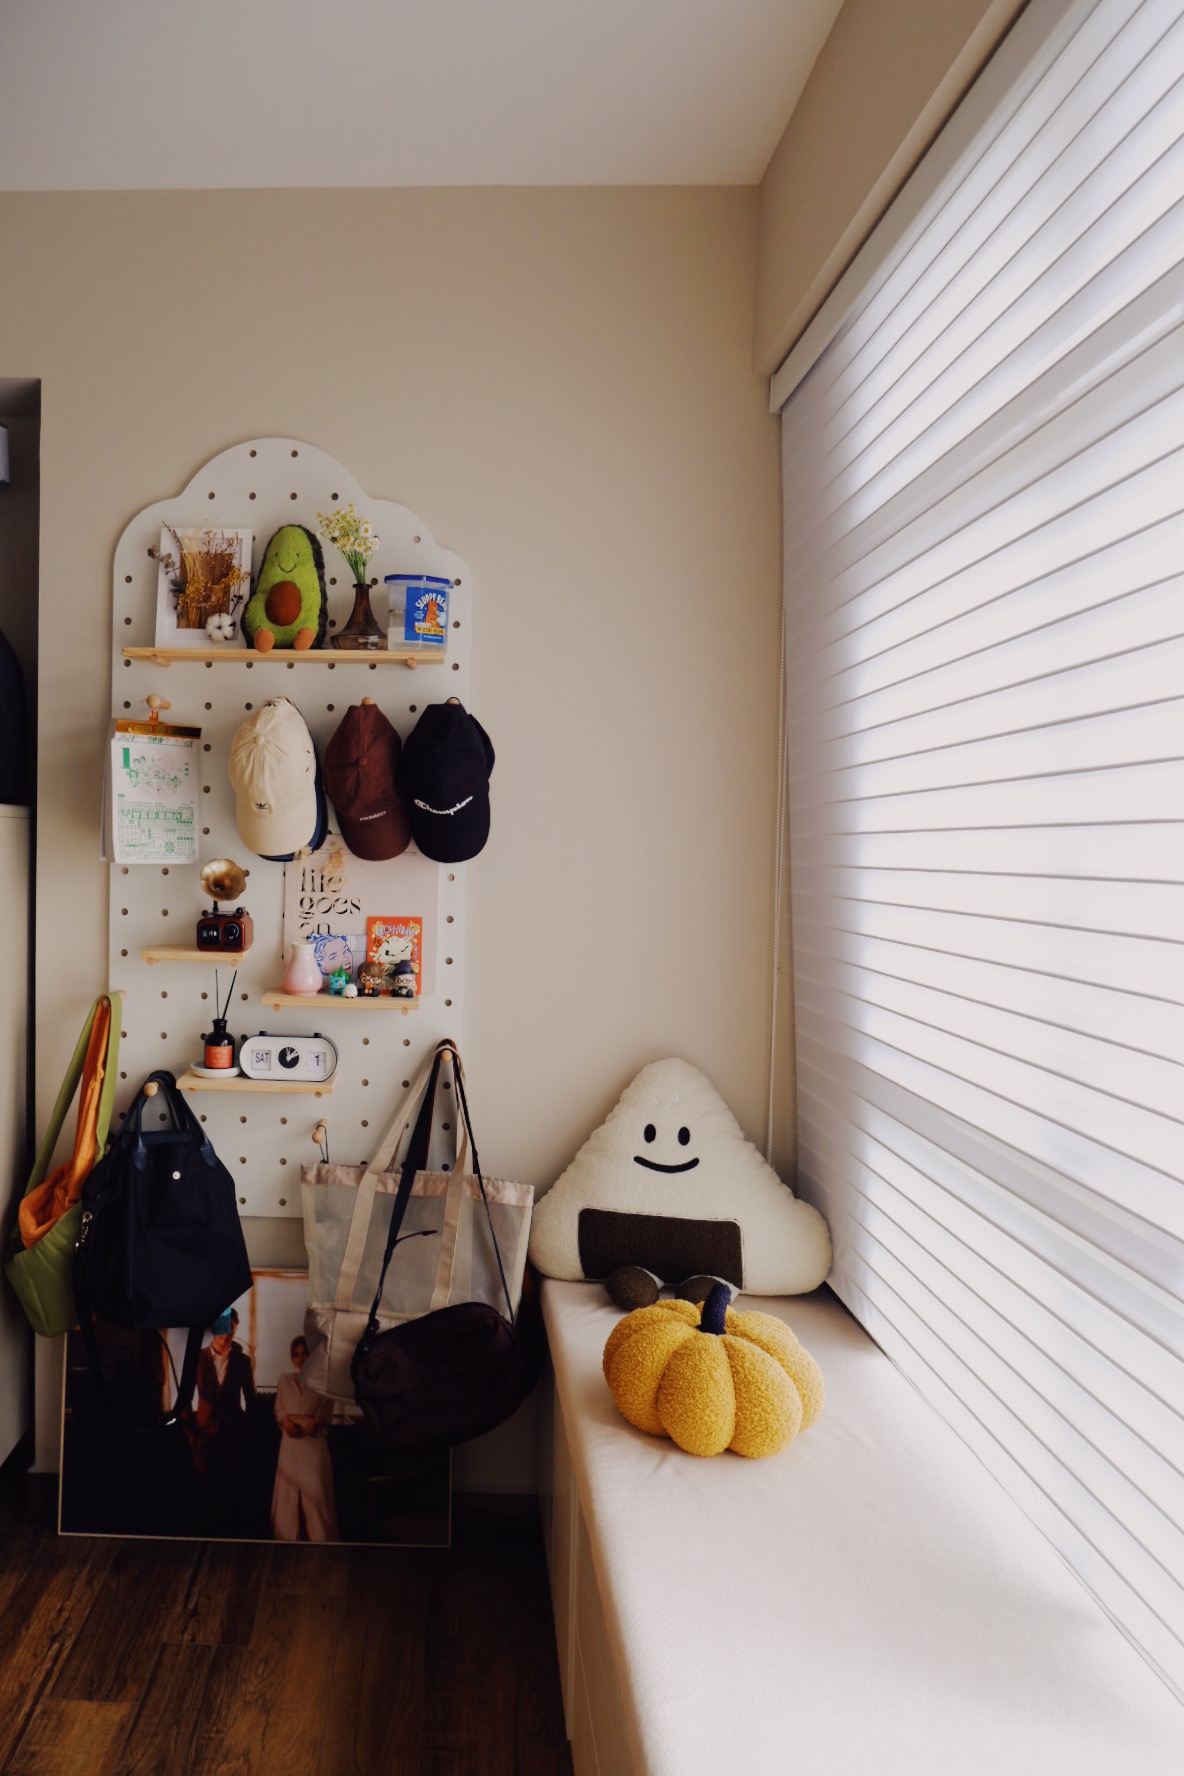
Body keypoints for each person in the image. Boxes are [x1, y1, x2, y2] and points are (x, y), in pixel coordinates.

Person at [271, 1334, 339, 1542]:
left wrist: (315, 1424)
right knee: (289, 1493)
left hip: (313, 1442)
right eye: (296, 1354)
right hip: (290, 1441)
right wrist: (286, 1423)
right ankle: (287, 1540)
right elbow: (279, 1409)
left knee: (316, 1492)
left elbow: (325, 1412)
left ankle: (321, 1541)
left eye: (305, 1354)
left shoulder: (323, 1382)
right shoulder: (284, 1379)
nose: (301, 1359)